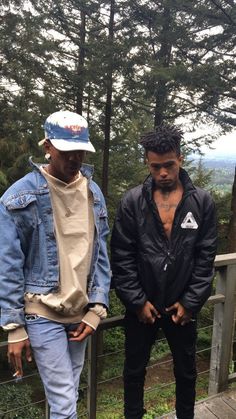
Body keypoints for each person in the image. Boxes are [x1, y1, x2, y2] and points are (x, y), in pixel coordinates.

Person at [0, 110, 111, 419]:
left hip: (81, 312)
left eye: (80, 150)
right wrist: (14, 327)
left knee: (69, 394)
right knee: (64, 401)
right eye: (66, 150)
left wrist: (96, 310)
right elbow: (7, 265)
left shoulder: (92, 191)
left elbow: (101, 252)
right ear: (47, 146)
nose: (74, 158)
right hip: (42, 311)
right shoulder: (19, 196)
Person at [111, 124, 217, 419]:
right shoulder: (133, 201)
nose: (163, 174)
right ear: (147, 163)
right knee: (133, 372)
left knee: (186, 373)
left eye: (169, 165)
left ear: (180, 159)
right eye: (155, 166)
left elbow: (205, 256)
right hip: (142, 307)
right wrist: (136, 301)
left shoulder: (202, 202)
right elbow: (122, 254)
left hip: (181, 307)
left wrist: (190, 303)